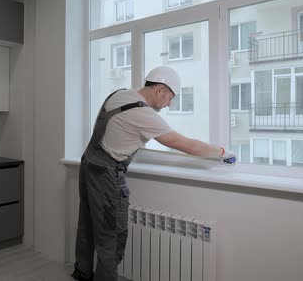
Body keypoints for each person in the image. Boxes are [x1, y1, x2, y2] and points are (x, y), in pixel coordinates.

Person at [71, 66, 236, 281]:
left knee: (87, 224)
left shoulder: (119, 94)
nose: (169, 104)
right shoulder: (144, 114)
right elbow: (187, 145)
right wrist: (222, 152)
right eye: (170, 97)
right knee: (111, 235)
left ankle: (82, 273)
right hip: (106, 176)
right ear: (159, 90)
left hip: (88, 165)